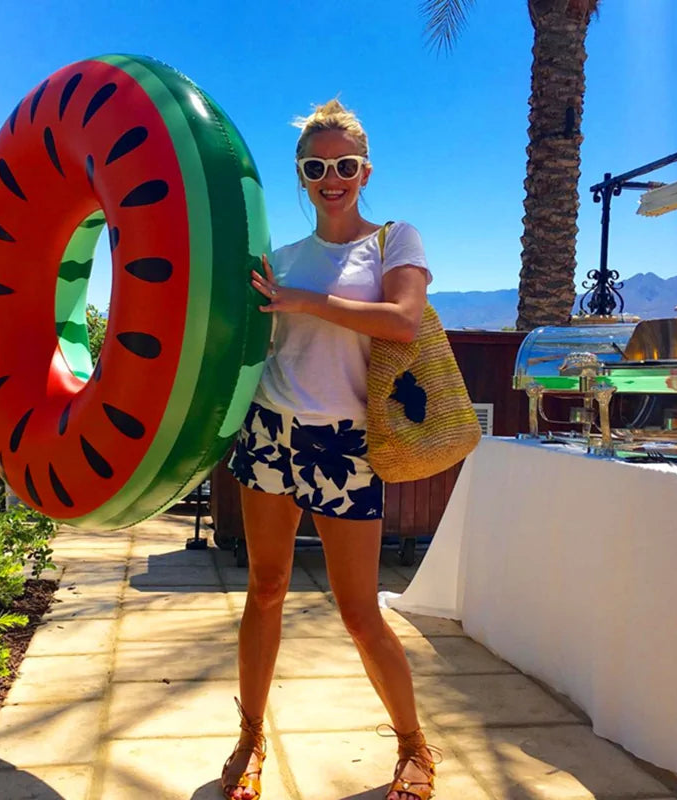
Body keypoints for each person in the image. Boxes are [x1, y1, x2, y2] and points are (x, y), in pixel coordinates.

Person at [222, 99, 440, 800]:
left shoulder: (392, 241)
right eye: (316, 167)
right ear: (302, 175)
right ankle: (250, 737)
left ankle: (413, 745)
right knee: (265, 589)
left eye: (344, 165)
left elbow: (403, 322)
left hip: (344, 444)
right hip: (270, 434)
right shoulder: (280, 260)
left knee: (357, 611)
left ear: (364, 169)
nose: (331, 177)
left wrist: (304, 300)